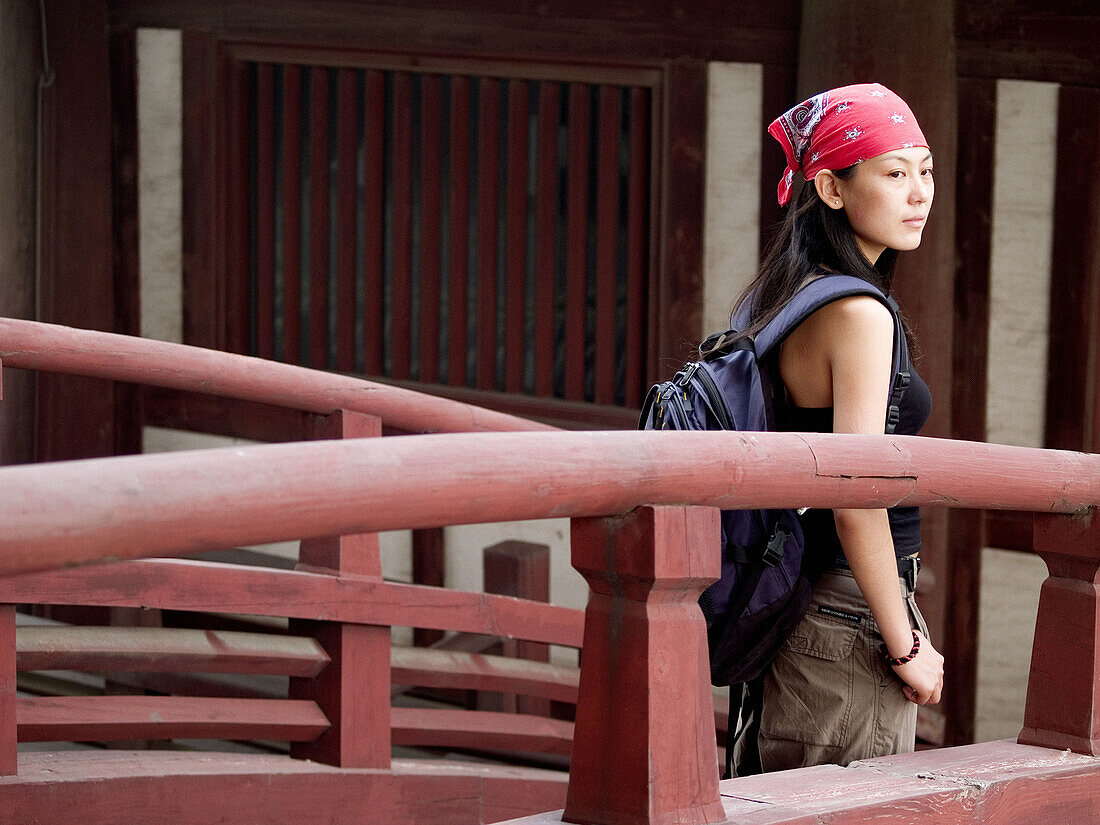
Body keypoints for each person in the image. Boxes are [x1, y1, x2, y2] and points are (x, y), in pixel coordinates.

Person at [732, 82, 945, 773]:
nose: (918, 193)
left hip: (802, 613)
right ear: (829, 189)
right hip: (844, 617)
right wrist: (907, 642)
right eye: (893, 172)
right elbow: (856, 497)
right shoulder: (860, 315)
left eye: (925, 170)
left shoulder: (791, 292)